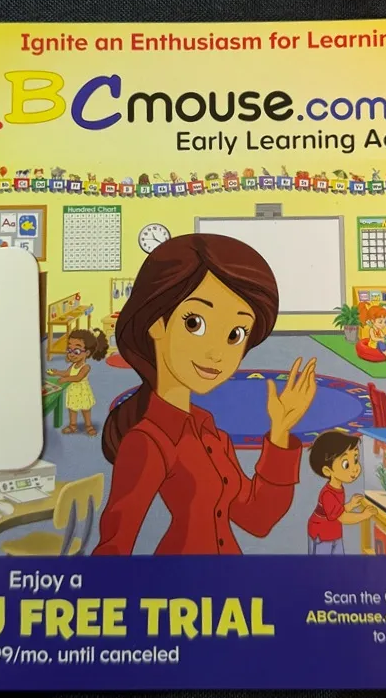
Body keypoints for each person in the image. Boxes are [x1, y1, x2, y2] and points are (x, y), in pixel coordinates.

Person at [93, 233, 317, 555]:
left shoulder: (208, 429)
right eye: (195, 323)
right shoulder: (148, 441)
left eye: (235, 334)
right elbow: (113, 550)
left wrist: (280, 430)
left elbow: (257, 518)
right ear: (156, 322)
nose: (217, 353)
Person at [306, 431, 374, 554]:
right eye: (346, 464)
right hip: (321, 534)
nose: (355, 468)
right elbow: (342, 517)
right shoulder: (328, 494)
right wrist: (363, 515)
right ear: (327, 471)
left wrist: (350, 505)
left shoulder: (338, 488)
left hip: (333, 532)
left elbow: (337, 511)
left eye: (355, 459)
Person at [48, 329, 109, 436]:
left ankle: (88, 426)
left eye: (76, 351)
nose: (71, 354)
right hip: (73, 391)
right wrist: (57, 372)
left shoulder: (86, 367)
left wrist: (66, 379)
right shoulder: (73, 365)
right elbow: (67, 373)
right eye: (69, 350)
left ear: (87, 353)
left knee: (85, 409)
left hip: (82, 392)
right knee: (72, 409)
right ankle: (73, 425)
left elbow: (78, 377)